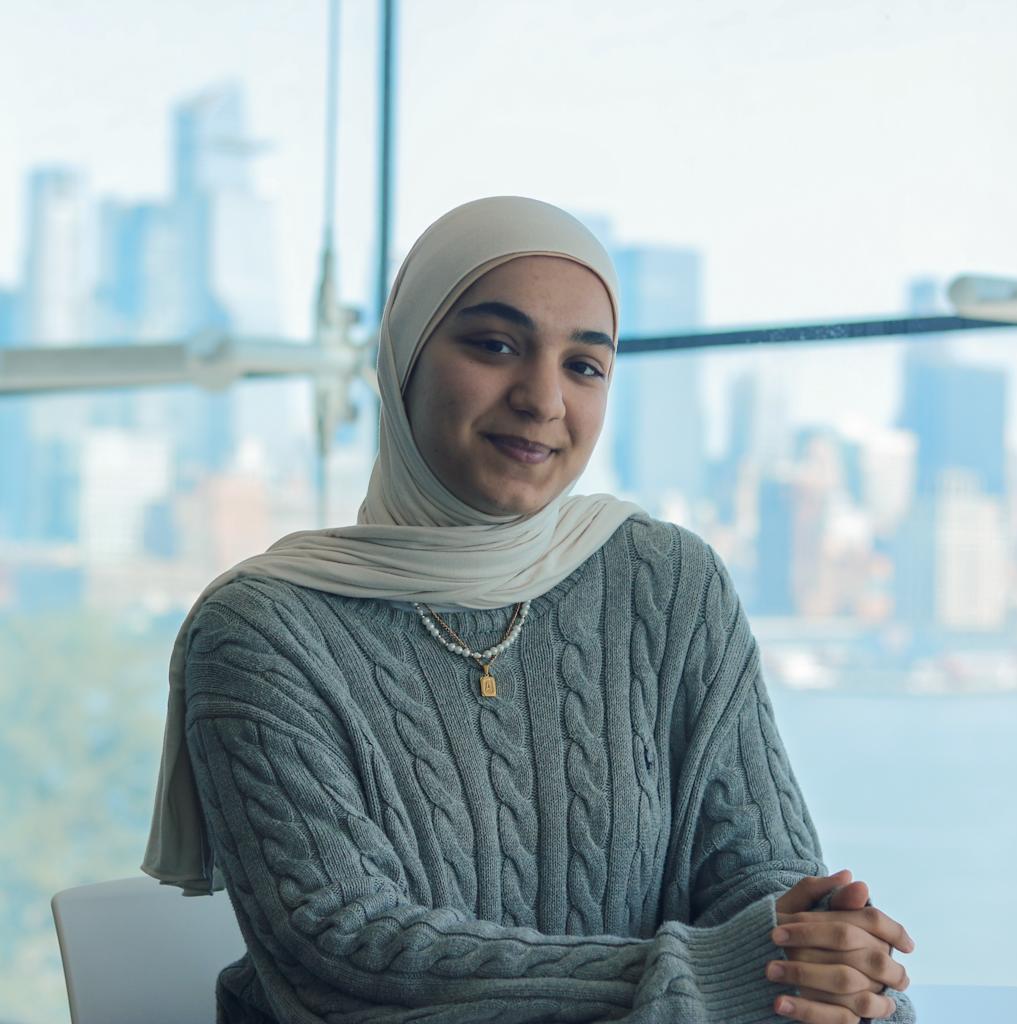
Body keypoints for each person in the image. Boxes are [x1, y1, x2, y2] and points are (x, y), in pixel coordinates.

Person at [143, 196, 915, 1024]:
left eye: (585, 365)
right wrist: (716, 978)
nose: (543, 399)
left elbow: (758, 877)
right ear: (404, 358)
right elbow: (345, 957)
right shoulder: (262, 632)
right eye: (494, 345)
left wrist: (818, 958)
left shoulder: (667, 580)